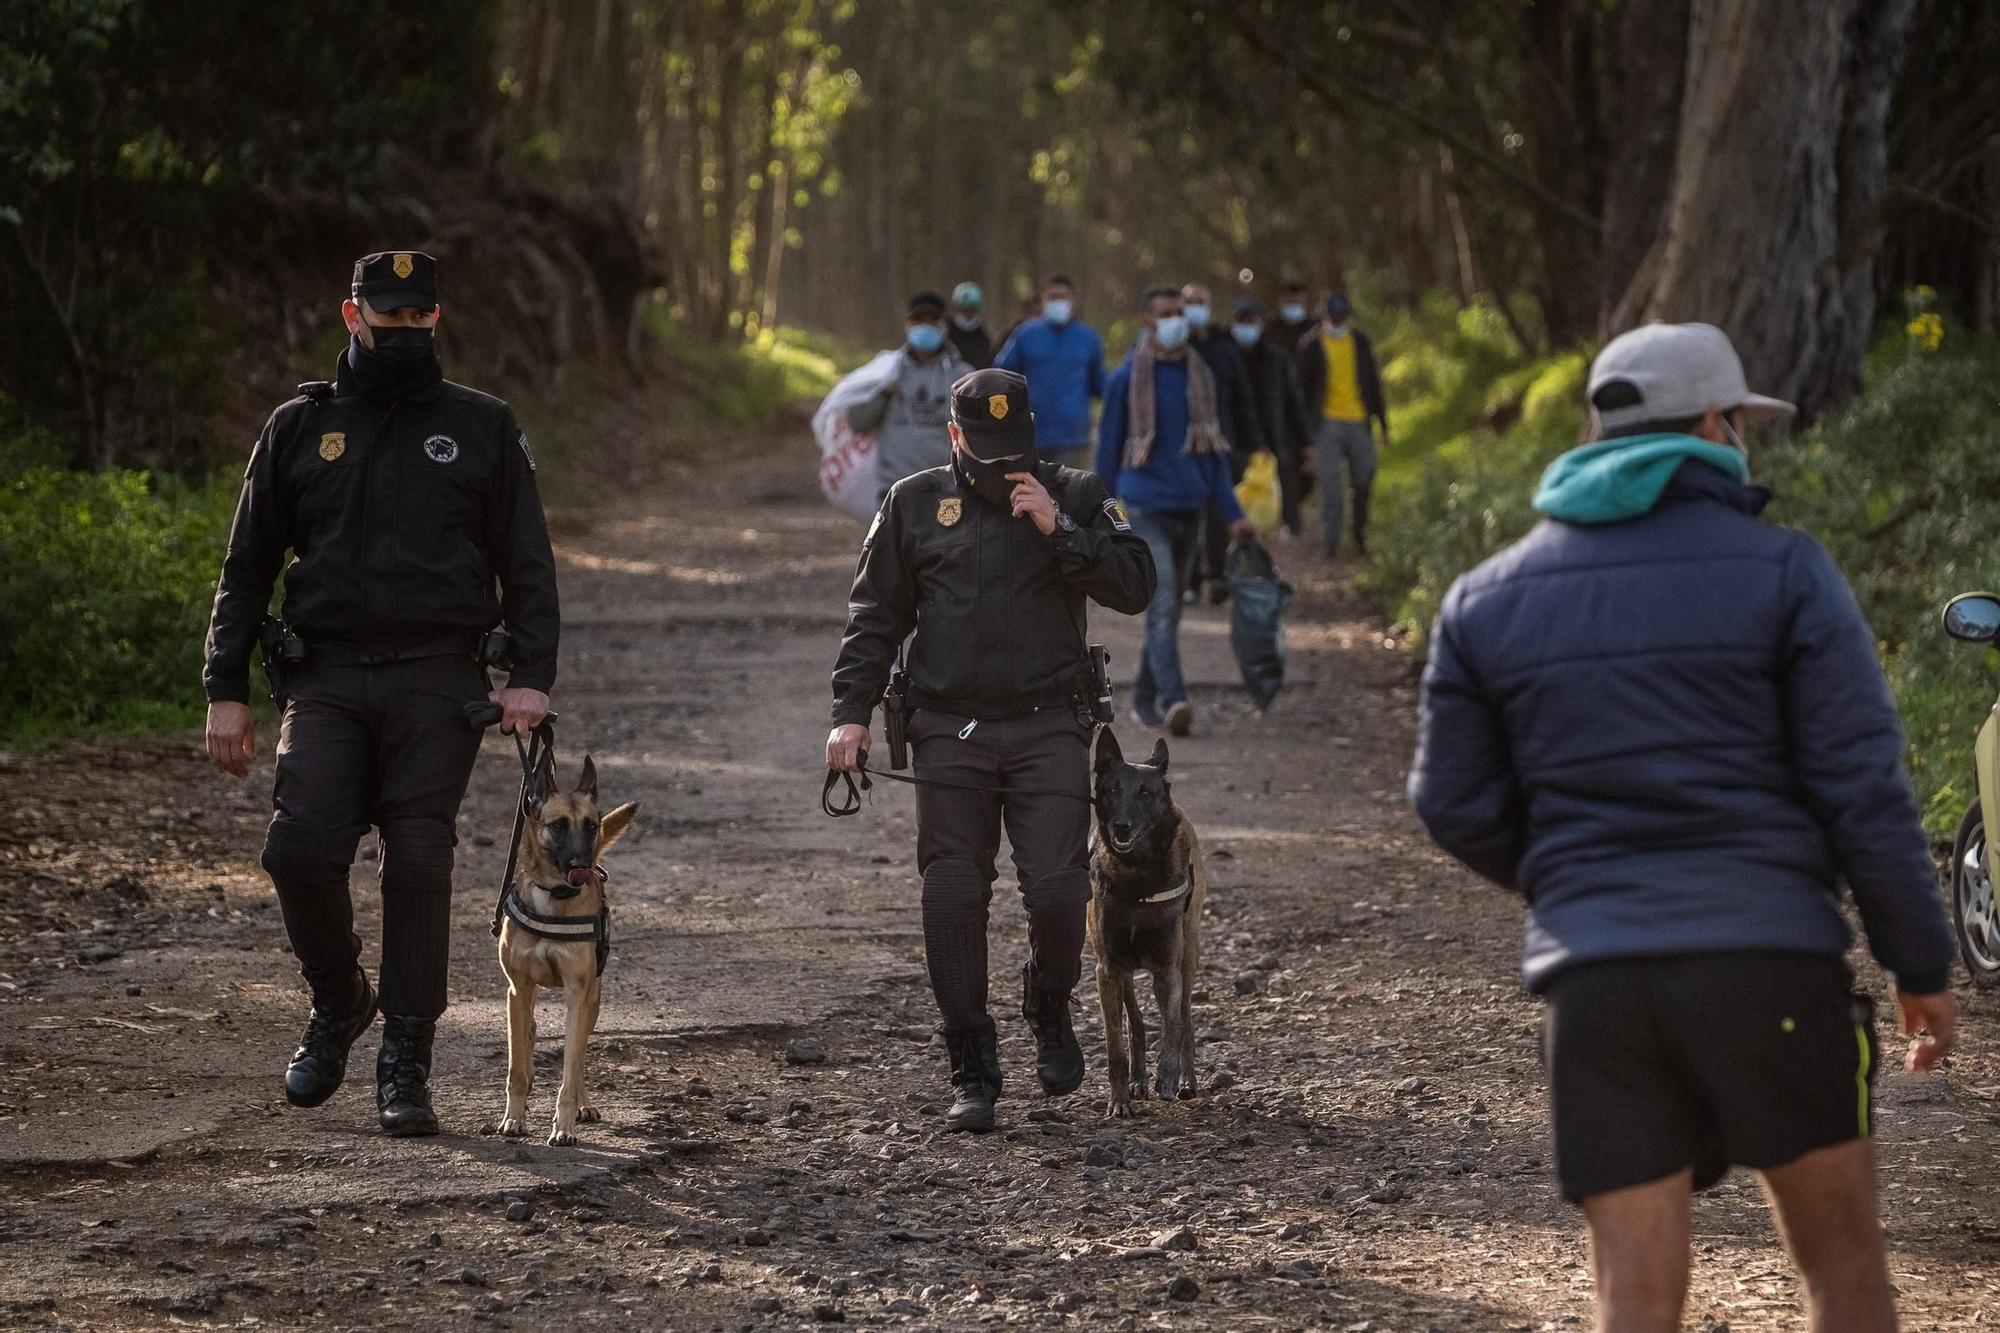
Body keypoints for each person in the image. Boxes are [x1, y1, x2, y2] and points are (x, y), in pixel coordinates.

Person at [1407, 322, 1957, 1333]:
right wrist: (1917, 960)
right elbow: (1861, 791)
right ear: (1713, 426)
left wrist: (1571, 878)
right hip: (1770, 963)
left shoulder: (1482, 598)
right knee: (1841, 1268)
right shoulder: (1786, 572)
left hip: (1597, 981)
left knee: (1633, 1301)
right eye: (1743, 423)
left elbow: (1446, 798)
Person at [203, 251, 559, 1137]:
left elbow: (528, 562)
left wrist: (532, 679)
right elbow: (246, 566)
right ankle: (340, 999)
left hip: (438, 678)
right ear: (350, 315)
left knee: (419, 858)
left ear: (435, 320)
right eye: (383, 316)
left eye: (414, 317)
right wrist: (225, 687)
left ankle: (407, 1058)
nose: (399, 330)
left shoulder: (481, 426)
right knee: (299, 849)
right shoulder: (298, 427)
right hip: (323, 678)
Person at [827, 368, 1154, 1133]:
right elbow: (874, 616)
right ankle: (971, 1058)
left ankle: (1048, 998)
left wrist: (1060, 532)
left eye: (1018, 448)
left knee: (1057, 889)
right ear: (953, 436)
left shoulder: (1072, 492)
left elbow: (1137, 582)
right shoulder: (911, 505)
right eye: (986, 448)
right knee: (951, 892)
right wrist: (850, 714)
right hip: (950, 727)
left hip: (1049, 725)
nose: (1005, 464)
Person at [1096, 286, 1256, 737]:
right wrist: (1098, 514)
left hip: (1192, 509)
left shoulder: (1199, 374)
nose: (1176, 321)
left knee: (1170, 613)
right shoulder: (1126, 379)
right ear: (1147, 321)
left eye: (1180, 313)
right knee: (1163, 604)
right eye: (1166, 314)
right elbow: (1108, 452)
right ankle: (1175, 698)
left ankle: (1144, 698)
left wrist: (1233, 513)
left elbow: (1213, 453)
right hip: (1145, 507)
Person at [1183, 281, 1265, 601]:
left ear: (1210, 305)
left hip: (1222, 444)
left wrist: (1254, 443)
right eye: (1189, 302)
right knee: (1190, 513)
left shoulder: (1224, 348)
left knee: (1219, 514)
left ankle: (1217, 576)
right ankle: (1189, 580)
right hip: (1184, 448)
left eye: (1200, 301)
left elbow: (1243, 400)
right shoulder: (1172, 348)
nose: (1194, 308)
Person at [847, 291, 970, 502]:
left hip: (946, 488)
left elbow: (975, 433)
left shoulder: (962, 376)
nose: (925, 326)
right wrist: (882, 394)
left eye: (932, 321)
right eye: (918, 320)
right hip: (892, 490)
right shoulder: (885, 370)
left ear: (943, 327)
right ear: (907, 326)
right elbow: (858, 422)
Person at [1296, 291, 1388, 555]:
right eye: (1334, 317)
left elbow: (1373, 384)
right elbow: (1302, 391)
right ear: (1325, 317)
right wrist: (1305, 435)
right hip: (1327, 423)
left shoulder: (1360, 343)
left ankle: (1359, 537)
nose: (1338, 322)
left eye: (1342, 317)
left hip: (1359, 420)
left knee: (1364, 478)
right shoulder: (1311, 346)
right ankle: (1331, 542)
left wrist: (1383, 425)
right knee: (1331, 486)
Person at [993, 274, 1105, 468]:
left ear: (1073, 301)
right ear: (1044, 301)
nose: (1058, 302)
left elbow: (1101, 385)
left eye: (1063, 297)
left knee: (1072, 495)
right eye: (1053, 297)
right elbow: (1001, 375)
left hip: (1074, 438)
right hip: (1032, 435)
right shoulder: (1025, 334)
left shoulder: (1088, 338)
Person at [1232, 297, 1315, 539]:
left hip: (1278, 439)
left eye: (1251, 320)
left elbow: (1294, 402)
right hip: (1240, 444)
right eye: (1241, 321)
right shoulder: (1229, 358)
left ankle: (1291, 536)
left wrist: (1306, 441)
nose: (1247, 326)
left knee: (1290, 491)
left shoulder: (1278, 359)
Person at [945, 280, 993, 369]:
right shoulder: (947, 332)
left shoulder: (982, 337)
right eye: (964, 309)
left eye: (972, 309)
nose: (968, 313)